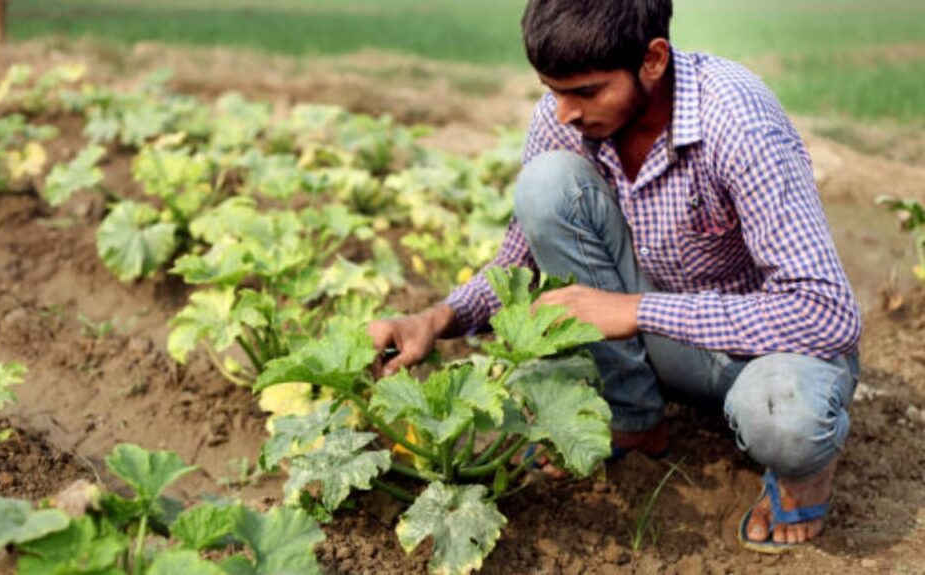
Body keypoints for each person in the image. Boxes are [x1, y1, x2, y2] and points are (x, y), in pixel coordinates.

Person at [367, 0, 861, 554]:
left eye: (585, 92)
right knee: (545, 182)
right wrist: (437, 318)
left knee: (787, 426)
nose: (564, 113)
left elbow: (826, 314)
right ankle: (634, 415)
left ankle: (804, 475)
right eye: (553, 92)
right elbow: (518, 262)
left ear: (652, 60)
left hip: (769, 351)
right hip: (666, 343)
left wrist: (634, 312)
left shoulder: (738, 119)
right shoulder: (568, 119)